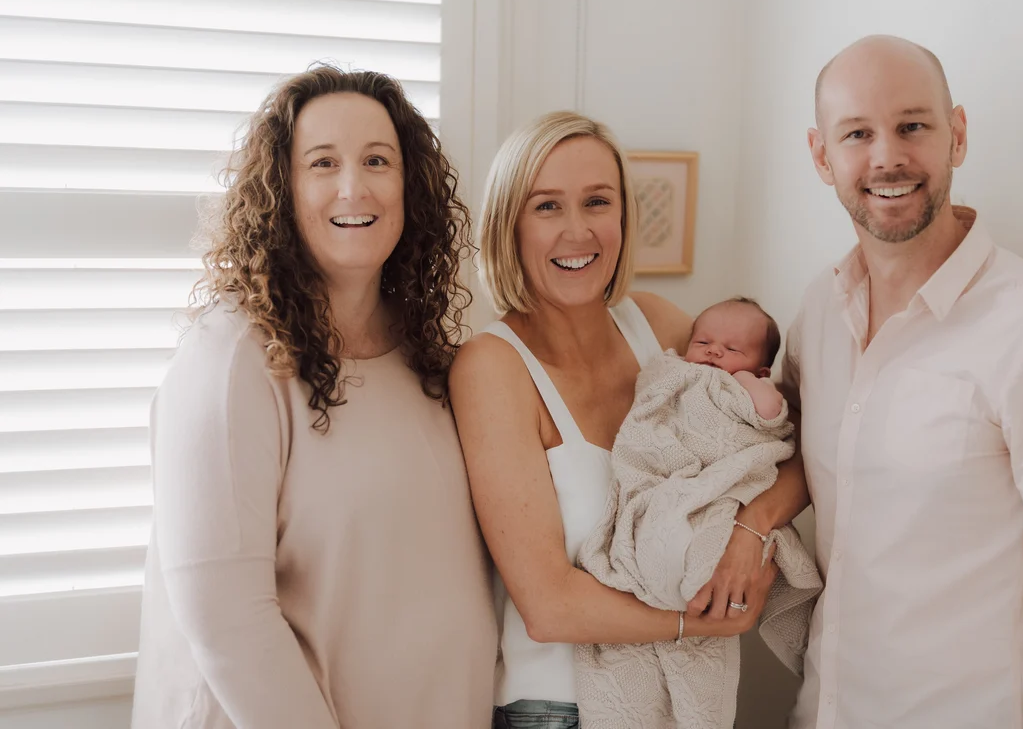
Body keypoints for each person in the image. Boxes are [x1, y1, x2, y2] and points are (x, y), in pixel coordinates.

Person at [785, 35, 1023, 728]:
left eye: (912, 126)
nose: (887, 156)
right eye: (857, 133)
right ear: (821, 155)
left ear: (956, 135)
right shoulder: (817, 313)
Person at [131, 66, 496, 728]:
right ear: (283, 189)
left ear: (409, 185)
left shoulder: (432, 350)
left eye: (377, 160)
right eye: (323, 162)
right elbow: (225, 616)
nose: (353, 186)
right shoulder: (230, 357)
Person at [450, 112, 810, 728]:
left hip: (680, 698)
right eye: (546, 207)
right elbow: (549, 607)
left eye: (597, 201)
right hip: (557, 708)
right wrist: (701, 621)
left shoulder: (658, 326)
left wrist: (751, 529)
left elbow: (787, 448)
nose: (577, 231)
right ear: (508, 223)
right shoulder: (491, 367)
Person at [574, 295, 822, 728]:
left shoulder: (749, 388)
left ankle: (691, 578)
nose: (713, 352)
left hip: (717, 487)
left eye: (732, 350)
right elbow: (648, 406)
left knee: (701, 537)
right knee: (664, 526)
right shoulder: (674, 372)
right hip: (664, 478)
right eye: (704, 341)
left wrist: (746, 381)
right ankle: (666, 571)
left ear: (762, 369)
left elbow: (772, 417)